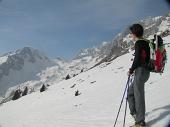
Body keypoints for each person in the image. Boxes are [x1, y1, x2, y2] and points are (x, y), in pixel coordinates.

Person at [127, 24, 150, 126]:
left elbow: (137, 60)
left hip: (140, 71)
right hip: (144, 72)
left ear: (135, 33)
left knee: (138, 96)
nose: (130, 35)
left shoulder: (139, 43)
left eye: (131, 33)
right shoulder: (145, 42)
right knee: (130, 93)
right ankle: (135, 114)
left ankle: (140, 122)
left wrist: (131, 70)